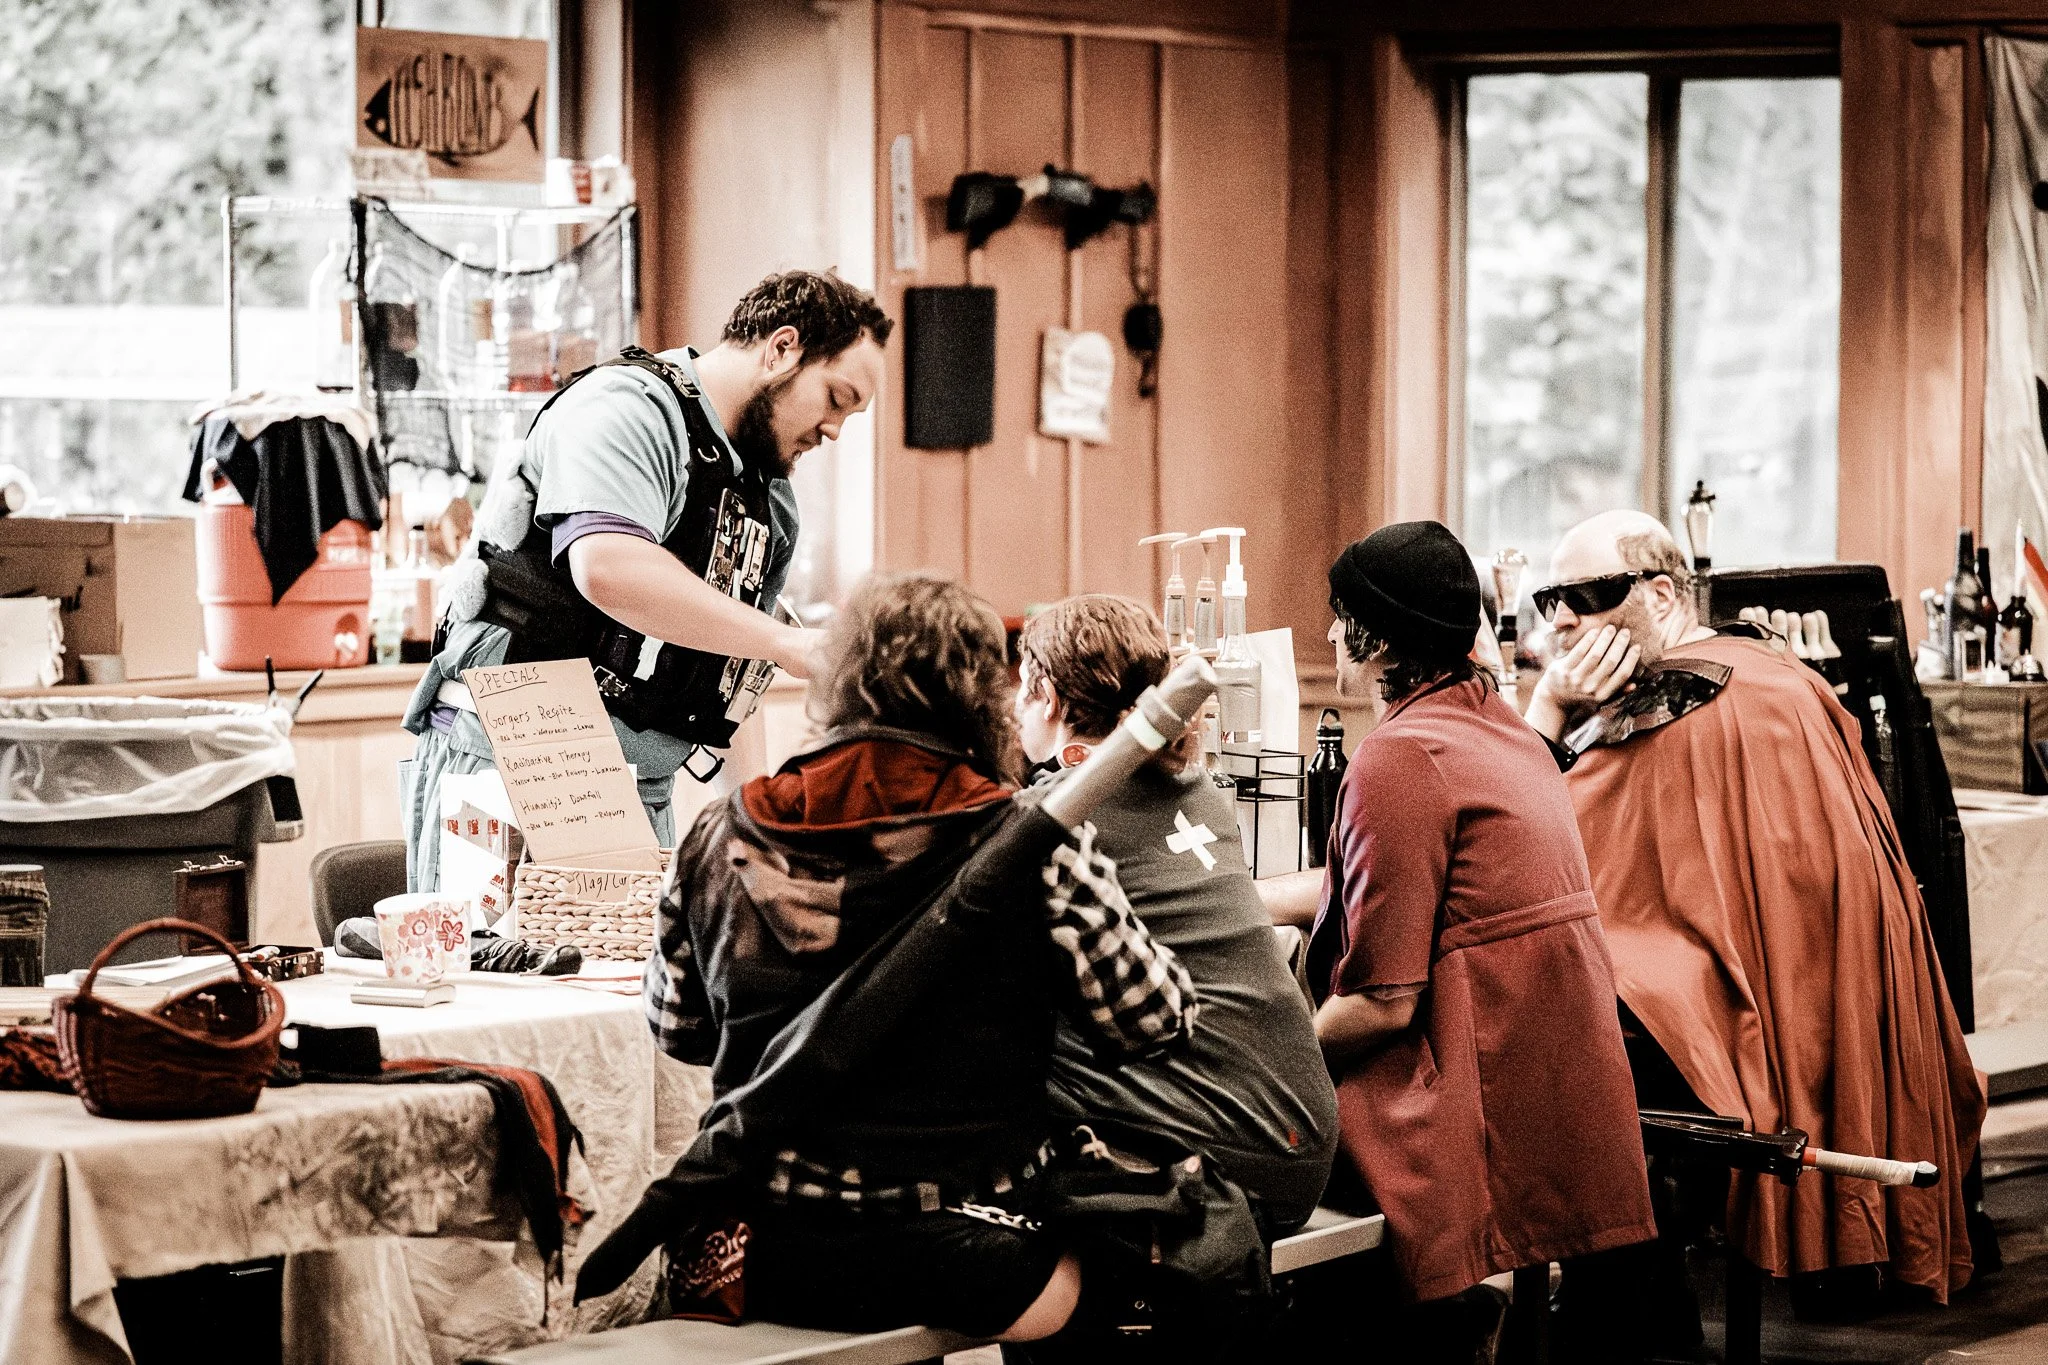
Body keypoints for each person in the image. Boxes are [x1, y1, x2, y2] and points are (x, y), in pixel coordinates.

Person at [633, 573, 1198, 1342]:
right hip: (966, 1250)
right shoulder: (1029, 836)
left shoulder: (716, 833)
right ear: (980, 694)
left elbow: (679, 1032)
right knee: (1168, 1260)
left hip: (760, 1249)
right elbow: (1153, 1021)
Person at [1520, 509, 1985, 1314]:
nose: (1563, 617)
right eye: (1549, 598)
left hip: (1728, 1011)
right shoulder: (1786, 678)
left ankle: (1626, 1298)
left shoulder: (1665, 705)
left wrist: (1549, 705)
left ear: (1662, 597)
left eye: (1590, 594)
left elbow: (1518, 852)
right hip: (1811, 1004)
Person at [1259, 520, 1657, 1360]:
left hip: (1460, 1115)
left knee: (1236, 1148)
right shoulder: (1495, 723)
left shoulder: (1398, 756)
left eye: (1341, 616)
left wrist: (1269, 1062)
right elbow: (1409, 886)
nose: (1330, 633)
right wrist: (1254, 900)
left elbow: (1381, 1003)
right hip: (1549, 1102)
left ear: (1377, 636)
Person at [400, 271, 892, 890]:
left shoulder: (771, 500)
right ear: (782, 349)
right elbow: (607, 565)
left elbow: (738, 670)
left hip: (637, 787)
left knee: (617, 980)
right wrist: (790, 643)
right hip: (512, 757)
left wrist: (753, 836)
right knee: (488, 974)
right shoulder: (627, 410)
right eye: (836, 398)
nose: (835, 430)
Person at [1012, 594, 1338, 1235]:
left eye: (1021, 688)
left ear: (1047, 697)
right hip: (1308, 1144)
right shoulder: (1204, 790)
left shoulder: (1048, 819)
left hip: (1225, 1169)